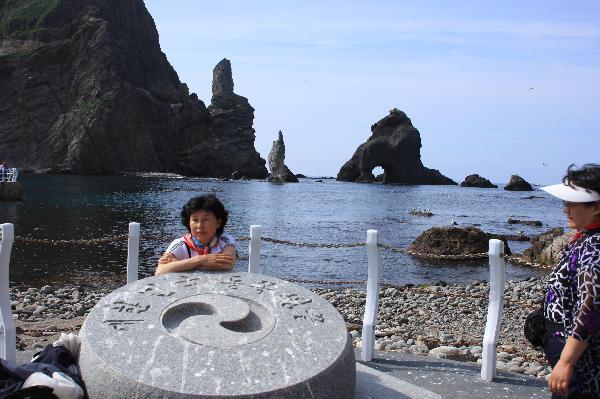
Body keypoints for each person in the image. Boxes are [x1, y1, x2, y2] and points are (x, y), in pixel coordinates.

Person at [540, 164, 600, 399]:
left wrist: (566, 361)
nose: (565, 209)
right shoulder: (586, 238)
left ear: (596, 207)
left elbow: (593, 305)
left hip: (584, 367)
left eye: (571, 203)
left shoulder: (594, 247)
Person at [155, 195, 236, 275]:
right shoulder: (180, 245)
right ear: (189, 223)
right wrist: (200, 260)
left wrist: (179, 264)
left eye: (206, 219)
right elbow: (160, 271)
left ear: (218, 223)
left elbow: (227, 264)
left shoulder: (224, 239)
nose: (200, 225)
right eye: (195, 220)